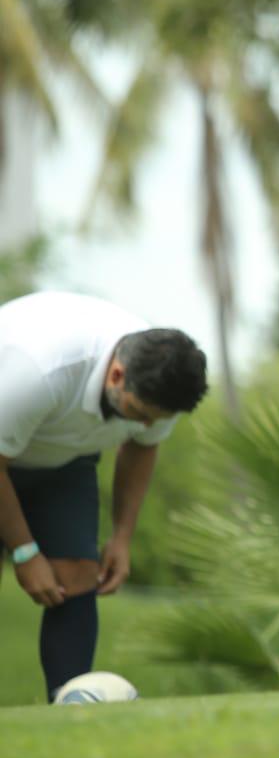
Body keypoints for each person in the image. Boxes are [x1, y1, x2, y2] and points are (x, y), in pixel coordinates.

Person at [0, 291, 208, 701]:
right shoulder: (41, 367)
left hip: (61, 458)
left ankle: (71, 711)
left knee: (77, 575)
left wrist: (122, 537)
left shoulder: (159, 384)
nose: (147, 424)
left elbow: (143, 447)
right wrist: (25, 552)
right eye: (140, 413)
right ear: (116, 375)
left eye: (157, 419)